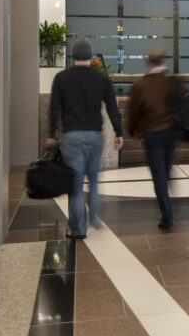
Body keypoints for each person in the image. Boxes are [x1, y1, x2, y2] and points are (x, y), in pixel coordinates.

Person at [47, 38, 124, 239]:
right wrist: (119, 132)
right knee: (94, 178)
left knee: (75, 184)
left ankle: (78, 229)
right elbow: (113, 108)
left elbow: (54, 108)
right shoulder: (102, 78)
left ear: (73, 55)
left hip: (72, 136)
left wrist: (51, 135)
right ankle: (95, 215)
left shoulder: (62, 78)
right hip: (95, 136)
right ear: (91, 56)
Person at [128, 48, 179, 231]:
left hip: (152, 135)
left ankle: (167, 217)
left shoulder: (140, 85)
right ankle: (169, 189)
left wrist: (133, 131)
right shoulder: (172, 82)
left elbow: (134, 111)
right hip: (171, 133)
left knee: (158, 176)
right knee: (166, 169)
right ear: (164, 62)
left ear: (149, 63)